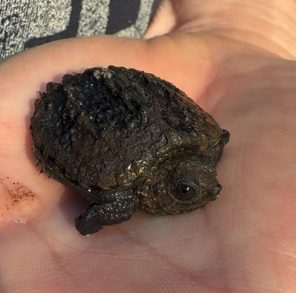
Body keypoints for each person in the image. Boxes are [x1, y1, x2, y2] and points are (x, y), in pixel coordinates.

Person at [0, 0, 295, 292]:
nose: (215, 190)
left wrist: (257, 30)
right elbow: (90, 219)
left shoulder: (205, 144)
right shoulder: (124, 195)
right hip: (68, 108)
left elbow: (218, 142)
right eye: (186, 191)